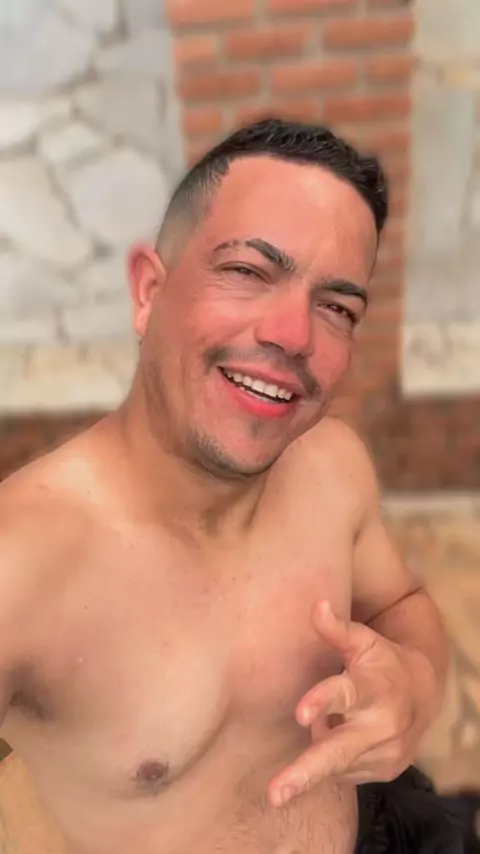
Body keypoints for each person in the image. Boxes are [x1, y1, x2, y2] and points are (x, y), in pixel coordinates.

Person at [0, 118, 460, 854]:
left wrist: (415, 682)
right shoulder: (21, 563)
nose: (293, 335)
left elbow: (400, 604)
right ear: (149, 291)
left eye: (336, 307)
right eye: (248, 271)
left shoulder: (332, 462)